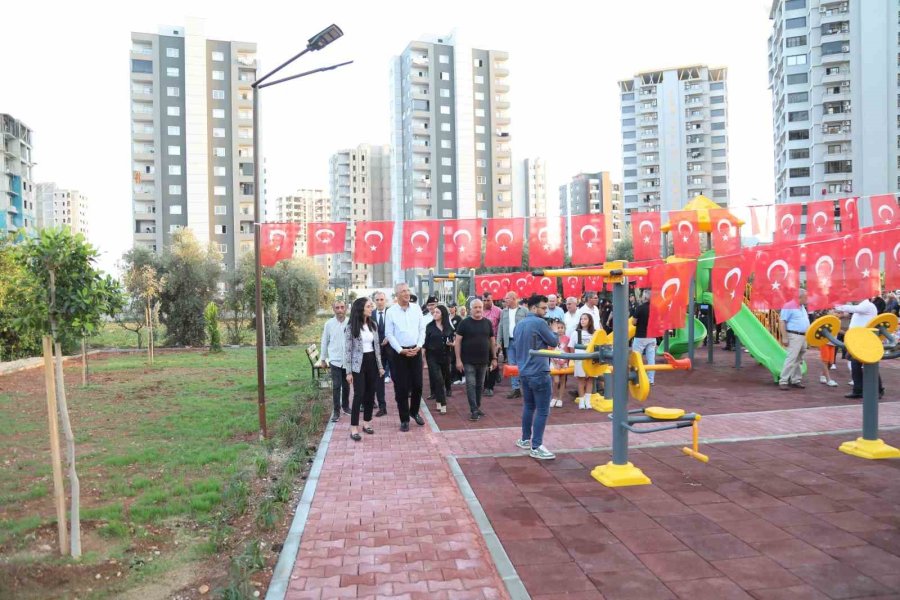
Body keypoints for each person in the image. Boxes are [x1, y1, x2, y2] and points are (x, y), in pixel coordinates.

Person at [512, 295, 560, 460]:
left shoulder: (519, 324)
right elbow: (553, 342)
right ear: (533, 308)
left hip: (524, 371)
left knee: (529, 406)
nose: (546, 311)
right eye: (543, 308)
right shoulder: (539, 323)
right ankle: (536, 446)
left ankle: (525, 439)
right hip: (539, 371)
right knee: (542, 410)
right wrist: (555, 330)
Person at [385, 282, 426, 431]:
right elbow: (389, 334)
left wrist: (419, 346)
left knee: (418, 385)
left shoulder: (416, 308)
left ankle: (414, 412)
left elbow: (422, 329)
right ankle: (404, 419)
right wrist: (400, 350)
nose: (407, 293)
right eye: (403, 291)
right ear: (397, 295)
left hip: (415, 351)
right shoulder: (391, 312)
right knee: (401, 388)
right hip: (400, 354)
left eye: (408, 290)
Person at [344, 297, 384, 441]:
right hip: (358, 364)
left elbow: (377, 347)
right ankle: (354, 427)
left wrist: (380, 366)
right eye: (368, 306)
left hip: (372, 361)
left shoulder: (373, 325)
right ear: (361, 309)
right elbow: (348, 350)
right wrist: (348, 371)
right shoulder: (351, 327)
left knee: (370, 394)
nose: (371, 308)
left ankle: (367, 423)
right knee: (359, 394)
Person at [454, 299, 498, 421]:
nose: (478, 309)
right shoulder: (464, 323)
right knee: (471, 385)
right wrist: (458, 360)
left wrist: (494, 358)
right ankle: (473, 409)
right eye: (475, 307)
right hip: (468, 361)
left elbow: (492, 341)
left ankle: (477, 407)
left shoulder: (487, 323)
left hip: (484, 360)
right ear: (470, 309)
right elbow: (457, 342)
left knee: (480, 385)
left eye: (480, 307)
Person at [835, 297, 884, 399]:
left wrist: (838, 306)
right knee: (855, 365)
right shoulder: (862, 306)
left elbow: (853, 309)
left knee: (869, 365)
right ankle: (858, 390)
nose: (854, 297)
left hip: (865, 340)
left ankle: (877, 390)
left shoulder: (868, 306)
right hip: (857, 340)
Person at [319, 300, 350, 422]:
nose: (340, 310)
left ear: (346, 308)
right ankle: (336, 411)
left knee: (346, 385)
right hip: (335, 360)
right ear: (333, 309)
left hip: (347, 361)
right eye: (337, 307)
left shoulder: (350, 323)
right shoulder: (329, 324)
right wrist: (323, 358)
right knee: (336, 386)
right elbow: (324, 341)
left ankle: (346, 407)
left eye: (342, 307)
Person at [424, 304, 454, 414]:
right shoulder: (429, 326)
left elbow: (453, 339)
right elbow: (425, 343)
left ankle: (438, 400)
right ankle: (443, 404)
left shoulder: (448, 327)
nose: (435, 314)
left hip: (445, 356)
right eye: (434, 312)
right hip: (432, 357)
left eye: (437, 312)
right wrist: (422, 359)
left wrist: (452, 343)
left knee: (442, 379)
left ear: (443, 314)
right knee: (439, 379)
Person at [498, 291, 528, 399]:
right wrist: (498, 342)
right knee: (512, 365)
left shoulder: (524, 310)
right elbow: (501, 326)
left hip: (522, 341)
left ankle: (526, 388)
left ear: (514, 299)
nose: (505, 300)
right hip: (509, 341)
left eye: (507, 298)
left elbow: (529, 325)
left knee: (523, 364)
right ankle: (515, 389)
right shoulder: (504, 312)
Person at [778, 289, 810, 390]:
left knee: (799, 359)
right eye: (806, 297)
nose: (807, 299)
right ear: (799, 297)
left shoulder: (802, 307)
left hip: (803, 336)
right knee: (791, 358)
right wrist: (784, 337)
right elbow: (782, 322)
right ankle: (783, 380)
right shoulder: (788, 306)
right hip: (794, 335)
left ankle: (796, 379)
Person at [631, 290, 656, 386]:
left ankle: (636, 378)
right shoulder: (655, 308)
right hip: (652, 336)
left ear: (645, 297)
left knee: (636, 358)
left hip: (640, 336)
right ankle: (650, 380)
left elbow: (633, 322)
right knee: (651, 359)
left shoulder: (640, 308)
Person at [372, 291, 391, 417]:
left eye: (381, 299)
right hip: (376, 352)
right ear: (374, 301)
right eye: (377, 300)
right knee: (379, 380)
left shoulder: (392, 313)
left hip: (392, 350)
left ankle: (402, 404)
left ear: (385, 300)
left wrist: (389, 337)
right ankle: (382, 407)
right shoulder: (370, 314)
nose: (379, 302)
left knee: (398, 378)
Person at [572, 313, 595, 408]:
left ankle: (588, 401)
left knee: (590, 379)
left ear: (590, 321)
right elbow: (572, 346)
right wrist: (575, 359)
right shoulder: (575, 333)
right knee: (581, 380)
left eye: (585, 319)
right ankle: (581, 401)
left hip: (591, 359)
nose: (583, 320)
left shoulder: (594, 333)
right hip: (580, 359)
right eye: (581, 319)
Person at [481, 293, 502, 396]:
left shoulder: (499, 311)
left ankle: (489, 387)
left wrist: (499, 343)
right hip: (482, 342)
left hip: (494, 342)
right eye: (484, 300)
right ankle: (486, 383)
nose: (486, 302)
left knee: (493, 362)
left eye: (488, 300)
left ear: (492, 299)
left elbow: (502, 327)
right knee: (483, 364)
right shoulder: (479, 310)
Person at [549, 318, 569, 408]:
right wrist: (554, 363)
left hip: (564, 363)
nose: (560, 330)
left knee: (562, 381)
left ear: (564, 329)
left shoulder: (567, 339)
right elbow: (550, 352)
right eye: (558, 328)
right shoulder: (552, 338)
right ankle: (554, 397)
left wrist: (564, 362)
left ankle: (560, 399)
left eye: (562, 328)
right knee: (556, 381)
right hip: (554, 363)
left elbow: (568, 352)